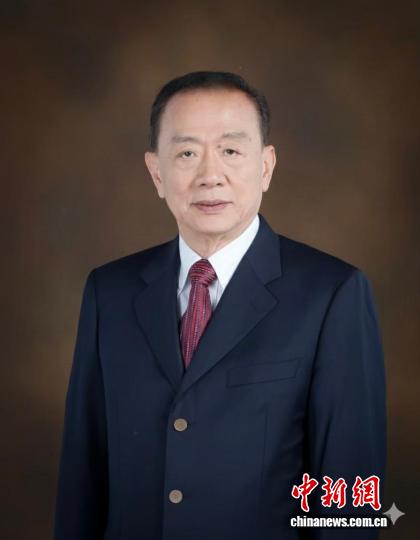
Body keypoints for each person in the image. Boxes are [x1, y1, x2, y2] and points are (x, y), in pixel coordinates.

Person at [54, 71, 387, 540]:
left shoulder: (333, 294)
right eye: (187, 153)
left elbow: (348, 499)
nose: (210, 175)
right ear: (156, 172)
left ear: (266, 167)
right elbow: (82, 477)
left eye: (231, 151)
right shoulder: (109, 292)